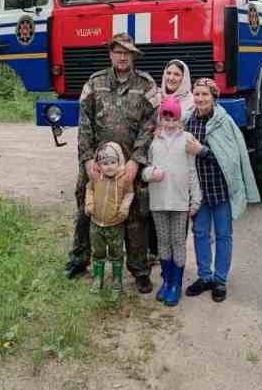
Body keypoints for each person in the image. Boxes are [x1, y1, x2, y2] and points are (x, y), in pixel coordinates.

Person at [64, 32, 159, 293]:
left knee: (136, 214)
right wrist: (86, 161)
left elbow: (150, 126)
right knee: (86, 207)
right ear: (111, 54)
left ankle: (139, 270)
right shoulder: (94, 83)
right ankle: (79, 259)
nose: (121, 56)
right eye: (117, 52)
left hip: (130, 163)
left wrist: (136, 162)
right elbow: (84, 124)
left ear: (133, 56)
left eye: (126, 52)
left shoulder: (146, 85)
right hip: (97, 162)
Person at [185, 77, 260, 302]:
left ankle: (220, 279)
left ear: (214, 97)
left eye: (204, 94)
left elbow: (231, 159)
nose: (200, 98)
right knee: (200, 233)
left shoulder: (223, 122)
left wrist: (202, 151)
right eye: (196, 94)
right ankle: (204, 276)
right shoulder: (188, 121)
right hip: (199, 191)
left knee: (223, 234)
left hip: (220, 190)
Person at [142, 96, 201, 307]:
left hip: (179, 202)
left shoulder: (187, 139)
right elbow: (144, 169)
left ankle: (176, 284)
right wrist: (150, 173)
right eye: (165, 118)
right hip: (158, 202)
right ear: (160, 119)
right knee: (163, 243)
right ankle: (166, 281)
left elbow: (193, 171)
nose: (168, 122)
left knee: (178, 242)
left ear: (179, 119)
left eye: (172, 118)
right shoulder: (153, 141)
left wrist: (196, 199)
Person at [85, 141, 134, 298]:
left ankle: (117, 280)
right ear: (99, 164)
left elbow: (129, 194)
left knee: (116, 252)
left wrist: (124, 207)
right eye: (105, 163)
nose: (109, 167)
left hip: (115, 224)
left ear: (119, 162)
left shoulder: (124, 179)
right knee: (98, 251)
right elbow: (89, 189)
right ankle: (98, 277)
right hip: (96, 223)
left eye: (113, 162)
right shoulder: (96, 177)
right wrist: (89, 203)